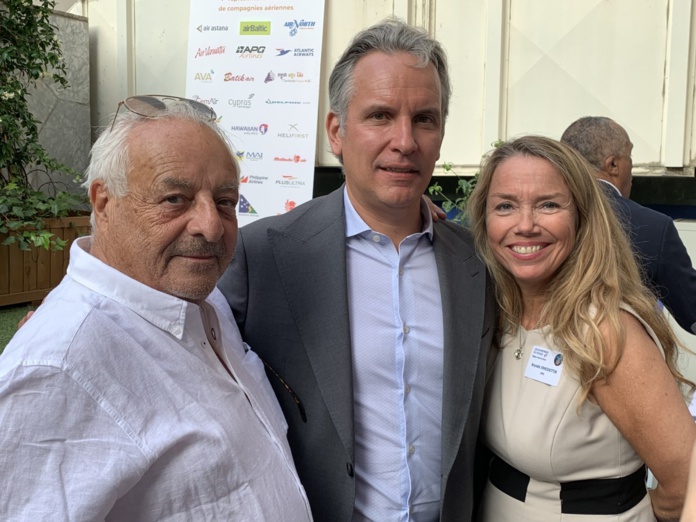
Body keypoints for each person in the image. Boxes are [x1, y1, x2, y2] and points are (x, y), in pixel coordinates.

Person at [218, 18, 496, 522]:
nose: (405, 140)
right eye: (380, 116)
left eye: (425, 119)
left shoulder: (478, 262)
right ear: (336, 131)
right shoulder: (264, 255)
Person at [0, 95, 312, 520]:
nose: (210, 225)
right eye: (175, 199)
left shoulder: (200, 298)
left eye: (225, 201)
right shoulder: (58, 366)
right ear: (104, 202)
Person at [467, 135, 696, 521]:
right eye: (505, 205)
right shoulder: (497, 311)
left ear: (581, 217)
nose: (525, 225)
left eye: (548, 205)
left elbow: (685, 483)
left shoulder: (606, 332)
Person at [561, 116, 696, 335]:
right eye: (630, 157)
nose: (631, 169)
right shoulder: (653, 226)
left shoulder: (533, 220)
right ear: (613, 164)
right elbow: (692, 313)